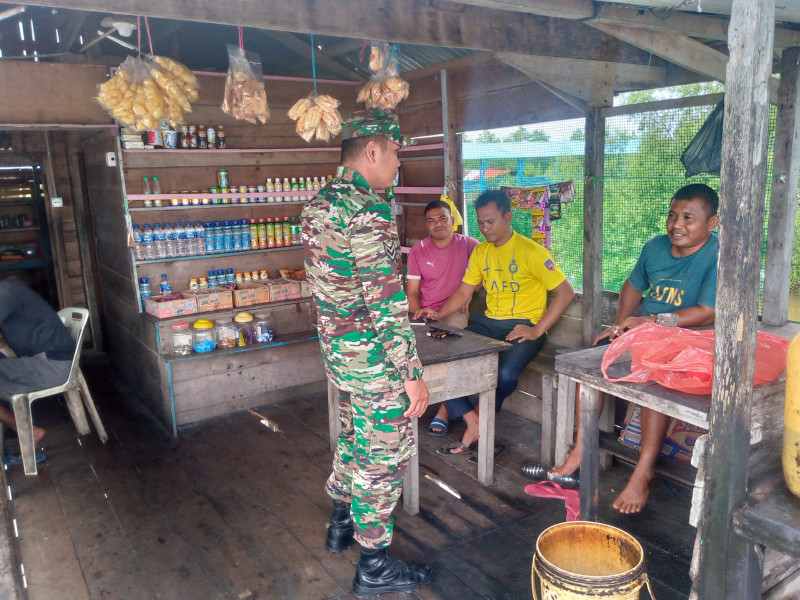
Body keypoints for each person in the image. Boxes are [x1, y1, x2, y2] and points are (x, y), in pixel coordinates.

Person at [301, 109, 433, 598]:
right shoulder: (366, 210)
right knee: (382, 456)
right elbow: (385, 301)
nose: (399, 163)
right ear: (373, 152)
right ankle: (374, 563)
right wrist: (411, 372)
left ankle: (340, 520)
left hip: (340, 355)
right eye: (396, 152)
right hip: (375, 359)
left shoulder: (319, 204)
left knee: (356, 437)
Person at [549, 183, 720, 514]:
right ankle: (581, 448)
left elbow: (708, 311)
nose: (676, 225)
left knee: (651, 376)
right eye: (672, 215)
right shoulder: (655, 247)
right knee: (591, 364)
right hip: (647, 331)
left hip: (694, 340)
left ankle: (643, 471)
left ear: (712, 223)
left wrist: (653, 320)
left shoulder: (718, 254)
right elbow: (632, 285)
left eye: (688, 217)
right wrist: (621, 324)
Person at [416, 189, 575, 458]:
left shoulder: (531, 251)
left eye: (491, 222)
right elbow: (465, 291)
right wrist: (439, 314)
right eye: (480, 222)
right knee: (442, 361)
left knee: (505, 374)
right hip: (488, 323)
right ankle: (473, 420)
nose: (485, 228)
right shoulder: (481, 252)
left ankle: (477, 419)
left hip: (523, 325)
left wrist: (537, 329)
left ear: (508, 217)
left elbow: (566, 293)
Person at [406, 199, 479, 437]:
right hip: (427, 312)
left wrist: (470, 294)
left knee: (453, 355)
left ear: (452, 220)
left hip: (456, 313)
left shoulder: (470, 245)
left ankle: (445, 412)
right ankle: (415, 402)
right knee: (407, 350)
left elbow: (484, 276)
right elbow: (413, 293)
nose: (438, 224)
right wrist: (418, 316)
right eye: (431, 220)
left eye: (442, 218)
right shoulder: (418, 251)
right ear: (426, 226)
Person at [0, 276, 75, 451]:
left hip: (52, 367)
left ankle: (24, 430)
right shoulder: (10, 288)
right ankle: (18, 427)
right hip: (48, 362)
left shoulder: (4, 293)